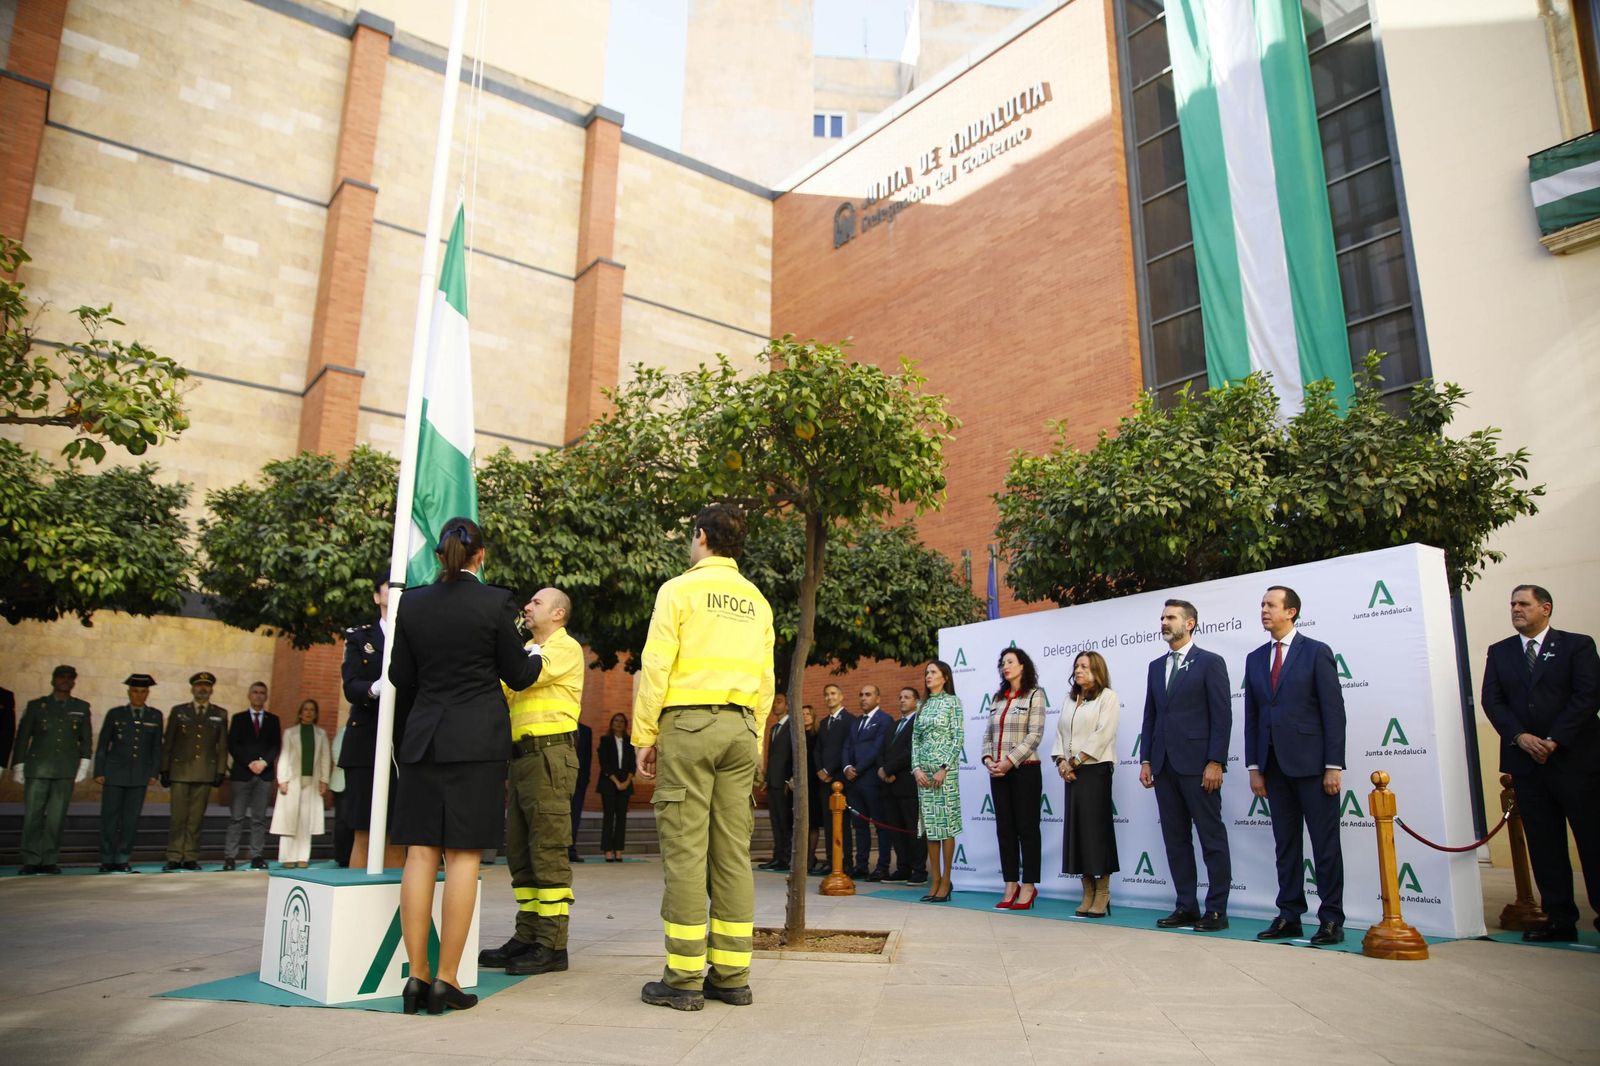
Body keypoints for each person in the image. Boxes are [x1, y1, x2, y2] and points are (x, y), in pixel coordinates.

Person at [388, 517, 543, 1014]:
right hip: (475, 741)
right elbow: (517, 674)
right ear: (481, 555)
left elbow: (400, 676)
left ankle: (416, 977)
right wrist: (537, 655)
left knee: (419, 854)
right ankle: (447, 979)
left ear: (439, 556)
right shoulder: (495, 602)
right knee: (462, 857)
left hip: (424, 739)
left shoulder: (412, 603)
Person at [634, 503, 774, 1012]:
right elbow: (765, 681)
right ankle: (732, 977)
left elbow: (656, 665)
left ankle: (684, 978)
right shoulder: (757, 601)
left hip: (688, 727)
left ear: (700, 536)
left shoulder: (678, 590)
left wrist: (644, 733)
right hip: (741, 729)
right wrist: (755, 741)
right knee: (733, 854)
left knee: (686, 853)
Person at [1480, 584, 1600, 942]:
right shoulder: (1500, 652)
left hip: (1575, 761)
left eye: (1524, 604)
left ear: (1545, 608)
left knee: (1592, 840)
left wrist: (1554, 739)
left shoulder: (1577, 645)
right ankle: (1559, 919)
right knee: (1545, 845)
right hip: (1527, 765)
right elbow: (1492, 701)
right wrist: (1520, 737)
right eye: (1512, 604)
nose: (1516, 609)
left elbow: (1588, 695)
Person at [479, 587, 584, 978]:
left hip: (550, 756)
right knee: (521, 854)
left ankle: (552, 944)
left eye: (537, 602)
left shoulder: (564, 647)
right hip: (523, 759)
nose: (527, 606)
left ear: (558, 614)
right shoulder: (526, 649)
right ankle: (527, 936)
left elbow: (524, 678)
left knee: (548, 850)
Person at [1244, 585, 1347, 946]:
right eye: (1262, 604)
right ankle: (1289, 915)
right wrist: (1254, 767)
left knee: (1325, 846)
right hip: (1273, 767)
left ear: (1291, 612)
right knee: (1285, 846)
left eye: (1271, 605)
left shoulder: (1316, 652)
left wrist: (1333, 766)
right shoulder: (1255, 658)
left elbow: (1333, 712)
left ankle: (1331, 919)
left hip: (1314, 767)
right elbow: (1253, 716)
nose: (1264, 610)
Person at [1139, 599, 1232, 931]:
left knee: (1211, 838)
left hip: (1198, 766)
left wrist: (1216, 761)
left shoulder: (1210, 662)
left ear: (1190, 623)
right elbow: (1151, 716)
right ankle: (1186, 906)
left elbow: (1222, 716)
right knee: (1176, 840)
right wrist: (1146, 759)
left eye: (1171, 617)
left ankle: (1217, 911)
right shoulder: (1155, 666)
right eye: (1162, 617)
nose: (1164, 622)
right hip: (1164, 766)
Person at [340, 578, 405, 869]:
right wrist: (374, 688)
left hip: (402, 742)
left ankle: (394, 894)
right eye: (387, 587)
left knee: (397, 833)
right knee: (364, 830)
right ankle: (357, 893)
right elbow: (351, 685)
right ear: (377, 596)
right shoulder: (359, 638)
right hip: (366, 740)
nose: (393, 592)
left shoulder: (411, 636)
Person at [1055, 651, 1121, 917]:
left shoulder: (1108, 697)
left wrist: (1076, 761)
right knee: (1078, 832)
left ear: (1097, 670)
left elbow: (1103, 733)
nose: (1078, 670)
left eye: (1084, 666)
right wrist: (1062, 761)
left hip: (1095, 770)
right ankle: (1087, 891)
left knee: (1096, 832)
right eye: (1076, 666)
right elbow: (1060, 733)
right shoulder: (1069, 699)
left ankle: (1103, 892)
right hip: (1071, 773)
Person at [983, 647, 1047, 910]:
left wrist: (1010, 761)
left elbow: (1035, 734)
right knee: (1005, 830)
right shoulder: (997, 698)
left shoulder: (1035, 694)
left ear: (1022, 666)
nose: (1005, 666)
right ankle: (1010, 884)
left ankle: (1029, 885)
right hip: (998, 772)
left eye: (1010, 661)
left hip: (1025, 770)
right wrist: (989, 760)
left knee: (1027, 829)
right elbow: (987, 735)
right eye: (1002, 663)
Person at [13, 665, 92, 875]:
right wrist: (19, 764)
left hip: (65, 769)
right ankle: (31, 858)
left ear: (74, 682)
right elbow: (23, 736)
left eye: (69, 678)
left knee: (56, 818)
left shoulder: (81, 707)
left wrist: (84, 763)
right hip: (38, 768)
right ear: (53, 680)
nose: (65, 681)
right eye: (61, 677)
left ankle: (49, 858)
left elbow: (86, 738)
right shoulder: (36, 706)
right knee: (33, 815)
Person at [95, 672, 164, 873]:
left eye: (143, 691)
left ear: (147, 693)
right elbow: (103, 744)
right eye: (135, 691)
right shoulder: (115, 714)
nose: (139, 695)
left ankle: (123, 857)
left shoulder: (155, 716)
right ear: (128, 692)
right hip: (114, 774)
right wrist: (99, 770)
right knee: (109, 818)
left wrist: (154, 772)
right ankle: (107, 858)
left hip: (139, 775)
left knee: (130, 820)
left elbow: (156, 747)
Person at [161, 671, 229, 871]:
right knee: (178, 818)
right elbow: (168, 742)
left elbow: (222, 745)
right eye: (199, 685)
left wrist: (220, 771)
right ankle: (174, 855)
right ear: (192, 689)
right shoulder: (179, 711)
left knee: (196, 819)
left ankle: (190, 856)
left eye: (206, 686)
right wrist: (164, 769)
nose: (202, 689)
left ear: (212, 690)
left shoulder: (220, 713)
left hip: (205, 772)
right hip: (180, 772)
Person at [913, 660, 962, 902]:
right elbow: (915, 739)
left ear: (945, 677)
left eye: (933, 672)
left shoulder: (953, 702)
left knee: (946, 827)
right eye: (927, 673)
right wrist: (916, 769)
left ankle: (946, 880)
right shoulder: (922, 705)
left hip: (945, 775)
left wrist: (944, 768)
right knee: (931, 829)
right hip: (924, 776)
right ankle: (935, 879)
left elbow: (957, 738)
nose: (928, 676)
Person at [224, 681, 281, 871]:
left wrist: (264, 762)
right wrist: (249, 762)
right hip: (242, 773)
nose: (258, 695)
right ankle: (230, 856)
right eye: (255, 692)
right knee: (236, 817)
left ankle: (257, 855)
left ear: (266, 696)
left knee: (259, 818)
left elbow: (275, 745)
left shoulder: (273, 720)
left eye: (262, 692)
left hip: (264, 775)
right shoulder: (239, 718)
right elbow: (233, 744)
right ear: (249, 695)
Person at [270, 698, 331, 867]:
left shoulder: (321, 734)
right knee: (290, 820)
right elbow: (284, 757)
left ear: (316, 714)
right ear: (300, 713)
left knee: (306, 820)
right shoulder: (290, 733)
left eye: (312, 710)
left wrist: (324, 780)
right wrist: (282, 779)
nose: (308, 713)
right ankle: (288, 858)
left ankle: (303, 857)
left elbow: (325, 758)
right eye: (306, 709)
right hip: (292, 782)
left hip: (312, 782)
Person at [842, 684, 890, 879]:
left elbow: (877, 749)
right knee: (859, 827)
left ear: (878, 698)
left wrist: (858, 769)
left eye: (868, 695)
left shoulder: (884, 720)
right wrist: (847, 767)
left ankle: (882, 867)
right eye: (861, 694)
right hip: (854, 783)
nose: (863, 698)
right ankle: (861, 865)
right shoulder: (856, 722)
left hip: (872, 781)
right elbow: (846, 747)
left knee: (880, 826)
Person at [878, 685, 923, 882]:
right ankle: (903, 868)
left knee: (912, 829)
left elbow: (911, 751)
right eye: (900, 697)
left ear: (916, 701)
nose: (902, 700)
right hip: (890, 787)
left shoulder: (919, 723)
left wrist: (889, 769)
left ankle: (919, 870)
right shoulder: (893, 725)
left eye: (907, 697)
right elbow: (882, 751)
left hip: (907, 784)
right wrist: (882, 770)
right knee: (896, 830)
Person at [814, 683, 853, 872]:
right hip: (824, 781)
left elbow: (845, 749)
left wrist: (829, 770)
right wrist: (820, 770)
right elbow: (817, 749)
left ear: (841, 696)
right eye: (826, 694)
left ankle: (846, 861)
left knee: (842, 823)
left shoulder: (850, 720)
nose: (829, 697)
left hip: (839, 780)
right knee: (828, 824)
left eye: (833, 693)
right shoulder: (823, 723)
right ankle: (831, 861)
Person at [759, 695, 793, 870]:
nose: (775, 705)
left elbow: (794, 755)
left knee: (785, 821)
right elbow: (772, 756)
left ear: (787, 705)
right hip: (773, 781)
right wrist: (767, 779)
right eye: (773, 702)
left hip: (785, 783)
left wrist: (790, 778)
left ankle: (786, 858)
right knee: (776, 821)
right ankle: (777, 856)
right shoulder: (774, 728)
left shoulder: (792, 727)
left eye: (779, 702)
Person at [597, 712, 636, 861]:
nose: (618, 723)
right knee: (608, 817)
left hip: (626, 784)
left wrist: (626, 782)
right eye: (616, 721)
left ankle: (619, 850)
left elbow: (632, 764)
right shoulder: (605, 740)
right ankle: (607, 850)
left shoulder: (629, 741)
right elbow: (604, 763)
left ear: (625, 725)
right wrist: (616, 782)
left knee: (621, 818)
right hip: (609, 784)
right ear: (611, 723)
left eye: (621, 721)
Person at [801, 704, 826, 874]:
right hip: (801, 783)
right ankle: (802, 856)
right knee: (802, 822)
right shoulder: (798, 735)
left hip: (815, 782)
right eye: (802, 714)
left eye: (808, 714)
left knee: (813, 823)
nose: (805, 716)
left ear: (813, 716)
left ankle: (811, 856)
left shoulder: (817, 734)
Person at [568, 720, 593, 864]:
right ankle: (559, 850)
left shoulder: (586, 730)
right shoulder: (562, 726)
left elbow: (587, 756)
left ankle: (571, 850)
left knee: (575, 816)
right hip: (562, 779)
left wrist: (585, 779)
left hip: (579, 782)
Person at [329, 723, 353, 868]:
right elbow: (337, 755)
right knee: (342, 821)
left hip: (356, 784)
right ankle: (341, 855)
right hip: (342, 783)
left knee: (353, 821)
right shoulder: (343, 731)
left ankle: (352, 855)